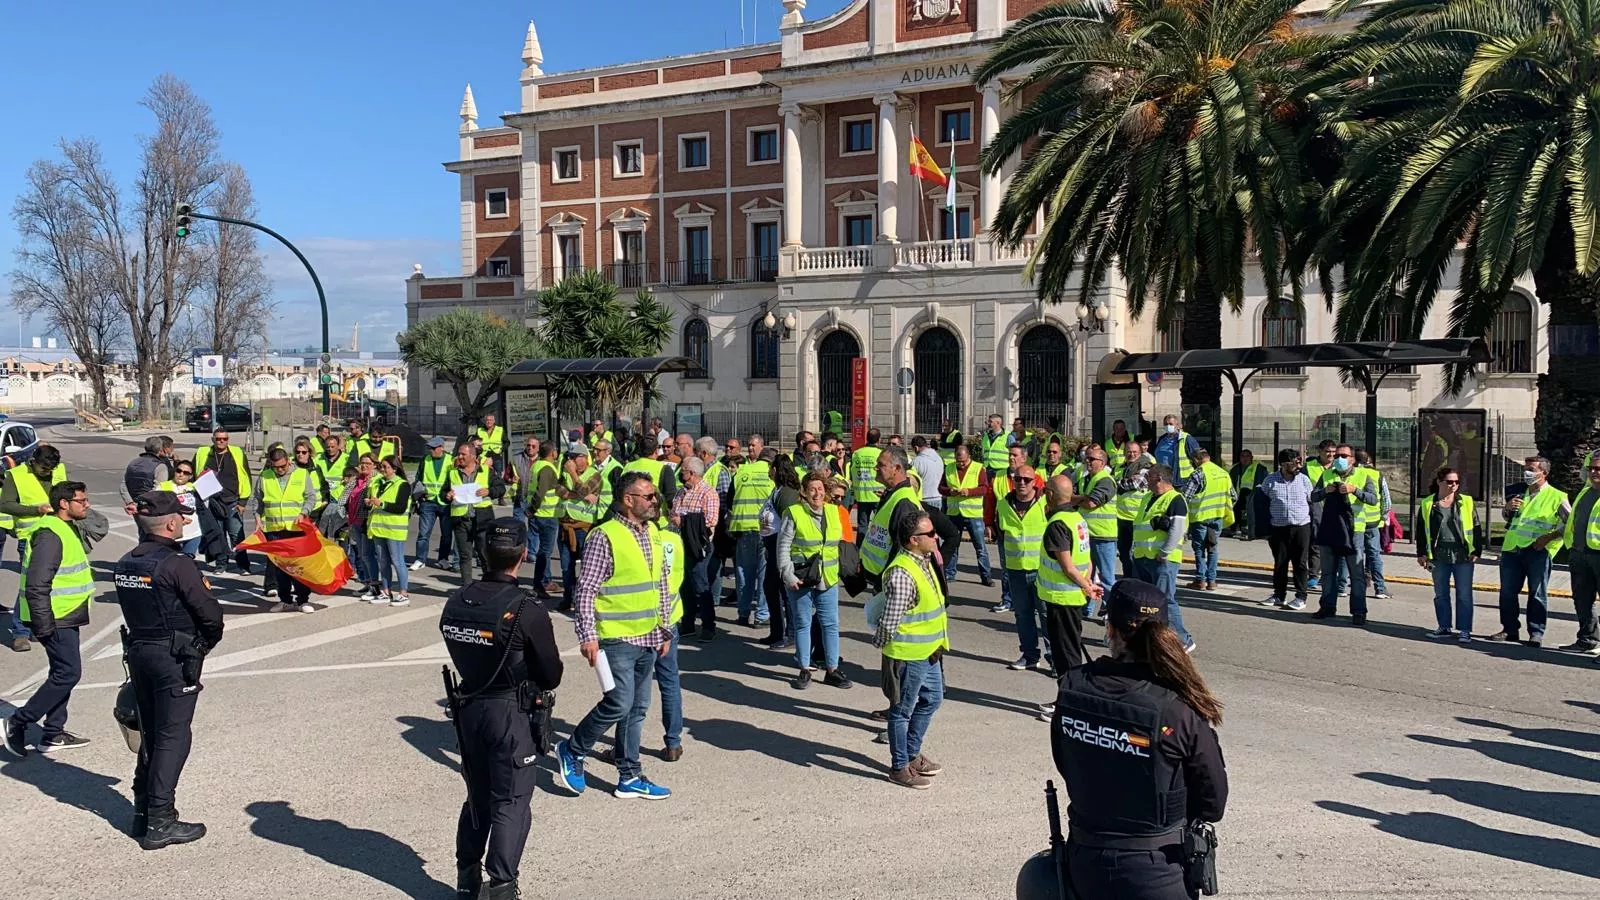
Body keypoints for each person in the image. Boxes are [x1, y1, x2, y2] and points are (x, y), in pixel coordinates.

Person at [1049, 579, 1228, 900]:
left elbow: (1064, 762)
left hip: (1085, 862)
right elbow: (1212, 801)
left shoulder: (1072, 687)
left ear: (1110, 629)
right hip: (1157, 869)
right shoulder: (1175, 708)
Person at [439, 517, 563, 899]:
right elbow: (551, 673)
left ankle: (466, 882)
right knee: (511, 801)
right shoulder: (526, 608)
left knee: (477, 797)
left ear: (482, 553)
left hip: (469, 709)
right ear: (523, 556)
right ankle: (502, 887)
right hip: (510, 714)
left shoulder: (457, 600)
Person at [555, 472, 677, 800]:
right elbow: (586, 589)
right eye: (648, 496)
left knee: (637, 708)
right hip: (616, 637)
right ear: (628, 500)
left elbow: (660, 584)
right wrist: (587, 635)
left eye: (654, 495)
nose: (654, 501)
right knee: (619, 702)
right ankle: (572, 749)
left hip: (648, 635)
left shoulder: (653, 532)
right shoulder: (604, 536)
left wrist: (664, 628)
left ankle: (629, 775)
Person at [114, 490, 226, 850]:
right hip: (173, 658)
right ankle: (161, 821)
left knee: (150, 733)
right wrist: (201, 647)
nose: (185, 520)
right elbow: (211, 614)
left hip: (140, 653)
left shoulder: (126, 562)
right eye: (181, 515)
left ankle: (142, 812)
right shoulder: (177, 563)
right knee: (173, 737)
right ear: (171, 522)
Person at [4, 481, 94, 756]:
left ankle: (53, 733)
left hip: (65, 613)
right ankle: (17, 722)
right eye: (81, 501)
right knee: (68, 673)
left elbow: (99, 526)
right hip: (54, 617)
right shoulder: (50, 534)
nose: (87, 504)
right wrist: (43, 625)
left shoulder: (65, 527)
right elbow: (37, 584)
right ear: (64, 504)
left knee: (62, 672)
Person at [874, 510, 948, 789]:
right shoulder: (903, 572)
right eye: (930, 533)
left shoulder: (925, 560)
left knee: (933, 699)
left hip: (929, 651)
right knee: (901, 710)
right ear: (913, 540)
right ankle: (899, 766)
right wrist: (883, 646)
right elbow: (890, 620)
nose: (935, 536)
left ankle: (912, 753)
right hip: (908, 654)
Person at [778, 471, 850, 689]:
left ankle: (832, 670)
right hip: (801, 579)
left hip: (828, 578)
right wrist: (787, 574)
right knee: (803, 623)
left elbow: (840, 544)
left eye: (820, 489)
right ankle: (804, 669)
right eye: (812, 489)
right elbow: (783, 547)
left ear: (825, 491)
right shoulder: (793, 513)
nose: (817, 494)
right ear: (804, 492)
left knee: (830, 624)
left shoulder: (834, 512)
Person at [1490, 456, 1569, 647]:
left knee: (1537, 593)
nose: (1527, 473)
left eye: (1531, 470)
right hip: (1512, 548)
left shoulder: (1557, 496)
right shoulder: (1519, 492)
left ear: (1544, 473)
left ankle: (1536, 633)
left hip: (1538, 550)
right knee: (1507, 592)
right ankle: (1510, 630)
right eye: (1526, 469)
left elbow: (1570, 524)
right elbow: (1511, 518)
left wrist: (1549, 537)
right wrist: (1507, 508)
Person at [1040, 475, 1101, 678]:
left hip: (1061, 599)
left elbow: (1068, 567)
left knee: (1065, 655)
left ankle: (1068, 693)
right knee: (1072, 649)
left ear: (1050, 494)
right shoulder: (1077, 519)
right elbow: (1087, 559)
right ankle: (1071, 691)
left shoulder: (1057, 524)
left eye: (1045, 491)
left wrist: (1087, 586)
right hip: (1074, 597)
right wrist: (1087, 582)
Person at [1309, 444, 1376, 626]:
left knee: (1356, 574)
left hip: (1354, 532)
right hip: (1330, 528)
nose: (1339, 458)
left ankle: (1359, 611)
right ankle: (1327, 607)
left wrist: (1355, 490)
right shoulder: (1327, 474)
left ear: (1352, 459)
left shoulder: (1363, 475)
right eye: (1337, 455)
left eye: (1344, 456)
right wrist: (1325, 491)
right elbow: (1313, 496)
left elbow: (1373, 499)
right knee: (1328, 573)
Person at [1132, 465, 1195, 653]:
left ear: (1159, 478)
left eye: (1149, 476)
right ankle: (1151, 638)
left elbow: (1178, 529)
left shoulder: (1175, 499)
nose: (1146, 480)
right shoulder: (1148, 497)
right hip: (1143, 556)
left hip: (1161, 559)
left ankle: (1182, 639)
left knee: (1164, 600)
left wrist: (1164, 552)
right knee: (1147, 602)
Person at [1417, 467, 1482, 643]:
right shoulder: (1428, 503)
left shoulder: (1466, 501)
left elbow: (1476, 527)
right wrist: (1421, 553)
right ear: (1439, 482)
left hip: (1462, 555)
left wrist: (1476, 550)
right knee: (1441, 593)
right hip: (1439, 555)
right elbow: (1421, 530)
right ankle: (1444, 626)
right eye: (1450, 482)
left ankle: (1464, 630)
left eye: (1457, 482)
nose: (1454, 485)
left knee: (1464, 594)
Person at [254, 447, 318, 614]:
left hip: (296, 529)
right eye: (276, 467)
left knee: (299, 566)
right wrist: (257, 518)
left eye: (283, 466)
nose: (280, 470)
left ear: (288, 461)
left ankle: (303, 600)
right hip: (274, 528)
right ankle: (285, 600)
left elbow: (311, 497)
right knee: (280, 568)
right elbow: (258, 500)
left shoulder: (301, 474)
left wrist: (303, 513)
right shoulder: (265, 476)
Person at [998, 465, 1049, 672]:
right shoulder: (1004, 504)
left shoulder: (1045, 503)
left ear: (1034, 481)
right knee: (1022, 615)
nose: (1021, 483)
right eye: (1017, 479)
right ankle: (1029, 656)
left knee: (1046, 615)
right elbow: (1002, 533)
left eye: (1027, 479)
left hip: (1041, 570)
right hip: (1016, 570)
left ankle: (1054, 659)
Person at [672, 456, 720, 642]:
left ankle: (708, 626)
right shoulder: (680, 492)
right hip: (680, 544)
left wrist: (684, 521)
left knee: (701, 585)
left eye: (683, 470)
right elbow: (673, 513)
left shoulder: (708, 493)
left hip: (699, 546)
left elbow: (710, 520)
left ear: (691, 473)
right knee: (684, 585)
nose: (680, 473)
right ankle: (688, 623)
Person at [1257, 449, 1313, 610]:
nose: (1298, 466)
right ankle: (1279, 595)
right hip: (1278, 528)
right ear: (1283, 464)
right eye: (1294, 463)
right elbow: (1262, 503)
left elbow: (1311, 499)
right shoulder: (1270, 480)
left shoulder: (1303, 480)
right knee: (1280, 563)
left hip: (1301, 526)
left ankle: (1301, 596)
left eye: (1298, 462)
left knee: (1300, 563)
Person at [445, 443, 506, 587]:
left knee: (484, 554)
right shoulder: (453, 473)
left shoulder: (485, 471)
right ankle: (467, 588)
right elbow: (444, 492)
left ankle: (488, 586)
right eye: (459, 454)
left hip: (482, 520)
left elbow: (501, 488)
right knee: (465, 556)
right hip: (461, 520)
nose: (459, 457)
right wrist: (447, 496)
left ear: (473, 456)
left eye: (463, 454)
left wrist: (489, 491)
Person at [195, 428, 253, 575]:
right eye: (218, 439)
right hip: (212, 502)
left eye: (224, 439)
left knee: (236, 535)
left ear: (228, 440)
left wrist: (243, 502)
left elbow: (246, 476)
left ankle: (243, 565)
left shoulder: (237, 453)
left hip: (233, 501)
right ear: (213, 439)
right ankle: (221, 564)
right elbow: (194, 475)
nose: (221, 441)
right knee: (218, 534)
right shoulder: (203, 453)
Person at [861, 446, 923, 583]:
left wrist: (885, 578)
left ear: (897, 469)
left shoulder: (904, 502)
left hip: (888, 580)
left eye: (881, 465)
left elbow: (902, 547)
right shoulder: (892, 493)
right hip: (878, 576)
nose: (876, 468)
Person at [760, 453, 803, 647]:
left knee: (784, 591)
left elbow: (790, 523)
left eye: (770, 468)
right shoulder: (777, 490)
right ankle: (777, 632)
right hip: (772, 545)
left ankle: (791, 634)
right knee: (771, 588)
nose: (768, 471)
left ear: (776, 470)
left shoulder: (787, 494)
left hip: (781, 546)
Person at [729, 444, 774, 628]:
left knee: (743, 573)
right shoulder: (772, 475)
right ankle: (761, 616)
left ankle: (743, 612)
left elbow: (730, 500)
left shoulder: (741, 472)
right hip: (766, 531)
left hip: (743, 529)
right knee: (764, 574)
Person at [556, 443, 602, 612]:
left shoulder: (594, 474)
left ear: (584, 458)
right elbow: (559, 490)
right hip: (565, 526)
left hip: (583, 528)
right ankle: (568, 598)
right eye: (571, 458)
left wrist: (573, 475)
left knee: (586, 568)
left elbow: (585, 489)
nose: (572, 461)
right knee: (566, 566)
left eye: (576, 458)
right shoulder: (565, 472)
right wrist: (579, 495)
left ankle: (584, 600)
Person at [1560, 458, 1600, 655]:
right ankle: (1588, 639)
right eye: (1591, 468)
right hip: (1579, 553)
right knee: (1582, 599)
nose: (1594, 472)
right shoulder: (1585, 492)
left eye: (1598, 469)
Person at [1072, 445, 1120, 606]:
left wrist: (1077, 499)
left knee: (1107, 579)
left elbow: (1091, 503)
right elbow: (1074, 498)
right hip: (1086, 535)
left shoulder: (1106, 480)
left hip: (1103, 536)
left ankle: (1111, 610)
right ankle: (1086, 608)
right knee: (1086, 576)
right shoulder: (1085, 478)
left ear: (1102, 462)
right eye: (1087, 458)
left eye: (1092, 459)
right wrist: (1081, 498)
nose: (1088, 461)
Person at [939, 443, 992, 586]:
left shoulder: (978, 468)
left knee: (980, 547)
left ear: (969, 456)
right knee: (953, 545)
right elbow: (941, 488)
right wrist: (949, 491)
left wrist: (969, 491)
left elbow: (984, 489)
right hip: (954, 513)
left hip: (973, 514)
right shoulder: (949, 468)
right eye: (958, 461)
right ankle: (950, 574)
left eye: (963, 461)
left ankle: (986, 576)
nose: (961, 464)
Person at [1183, 448, 1233, 592]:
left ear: (1196, 460)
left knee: (1199, 549)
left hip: (1200, 517)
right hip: (1217, 516)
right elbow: (1233, 496)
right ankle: (1212, 581)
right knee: (1213, 548)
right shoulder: (1223, 473)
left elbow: (1185, 496)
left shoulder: (1198, 473)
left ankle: (1200, 580)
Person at [989, 443, 1031, 613]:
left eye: (1015, 455)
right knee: (1007, 568)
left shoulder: (1033, 477)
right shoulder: (998, 477)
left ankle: (1029, 601)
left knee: (1030, 568)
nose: (1011, 458)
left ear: (1024, 458)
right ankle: (1007, 599)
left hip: (1029, 532)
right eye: (1010, 455)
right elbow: (990, 501)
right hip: (1005, 531)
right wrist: (988, 523)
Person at [366, 456, 412, 606]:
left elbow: (400, 507)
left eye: (386, 467)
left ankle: (404, 593)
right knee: (383, 561)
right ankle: (386, 591)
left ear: (395, 468)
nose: (383, 470)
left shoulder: (402, 485)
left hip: (394, 530)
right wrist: (370, 502)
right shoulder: (379, 482)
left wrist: (381, 504)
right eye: (381, 467)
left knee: (397, 561)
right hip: (379, 529)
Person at [518, 443, 561, 599]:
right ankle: (540, 584)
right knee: (545, 552)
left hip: (538, 514)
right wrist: (532, 509)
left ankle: (544, 581)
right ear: (552, 453)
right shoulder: (547, 468)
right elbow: (541, 491)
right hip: (545, 514)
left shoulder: (537, 465)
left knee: (542, 551)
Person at [1353, 449, 1393, 599]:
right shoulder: (1376, 474)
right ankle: (1380, 588)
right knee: (1374, 554)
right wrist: (1383, 517)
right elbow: (1386, 501)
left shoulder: (1351, 474)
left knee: (1353, 554)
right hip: (1372, 521)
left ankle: (1345, 586)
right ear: (1368, 460)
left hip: (1355, 521)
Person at [412, 437, 455, 571]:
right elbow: (419, 478)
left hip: (445, 502)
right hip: (428, 501)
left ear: (441, 447)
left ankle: (443, 559)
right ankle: (420, 559)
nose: (431, 451)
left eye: (434, 448)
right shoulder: (425, 460)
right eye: (429, 448)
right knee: (423, 533)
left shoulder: (451, 460)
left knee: (446, 534)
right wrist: (419, 495)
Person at [1115, 440, 1153, 579]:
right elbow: (1112, 482)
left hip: (1137, 517)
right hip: (1121, 516)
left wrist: (1118, 482)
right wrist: (1122, 482)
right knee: (1123, 552)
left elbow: (1136, 483)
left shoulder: (1145, 466)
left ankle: (1136, 580)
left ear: (1140, 453)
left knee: (1135, 553)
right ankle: (1128, 578)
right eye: (1129, 452)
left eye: (1135, 452)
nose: (1131, 454)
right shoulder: (1119, 467)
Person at [1304, 440, 1338, 591]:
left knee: (1334, 544)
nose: (1330, 455)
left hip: (1335, 510)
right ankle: (1313, 574)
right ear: (1320, 452)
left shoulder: (1339, 466)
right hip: (1316, 508)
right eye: (1327, 452)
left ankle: (1330, 574)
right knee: (1316, 543)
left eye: (1333, 452)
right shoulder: (1309, 467)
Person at [345, 455, 379, 599]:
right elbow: (346, 497)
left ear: (374, 465)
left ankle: (375, 586)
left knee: (369, 555)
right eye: (362, 463)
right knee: (362, 555)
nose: (364, 466)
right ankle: (367, 583)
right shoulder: (357, 480)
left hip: (367, 522)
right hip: (355, 522)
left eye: (368, 463)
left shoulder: (376, 480)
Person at [120, 434, 174, 520]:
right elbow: (158, 490)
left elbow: (123, 485)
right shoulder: (160, 466)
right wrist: (142, 504)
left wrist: (131, 503)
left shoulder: (133, 463)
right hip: (153, 508)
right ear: (160, 449)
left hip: (135, 508)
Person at [158, 460, 205, 557]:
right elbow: (158, 510)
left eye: (186, 473)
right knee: (169, 562)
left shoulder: (194, 487)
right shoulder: (163, 486)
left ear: (190, 476)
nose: (181, 474)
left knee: (187, 562)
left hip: (193, 534)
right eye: (179, 471)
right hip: (171, 534)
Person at [851, 427, 886, 532]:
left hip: (862, 495)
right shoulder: (881, 454)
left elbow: (852, 471)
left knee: (862, 525)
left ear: (867, 438)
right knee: (881, 525)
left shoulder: (857, 453)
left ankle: (861, 543)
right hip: (878, 494)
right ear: (879, 440)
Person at [1229, 450, 1266, 539]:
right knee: (1237, 511)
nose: (1245, 458)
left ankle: (1250, 530)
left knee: (1251, 514)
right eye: (1242, 456)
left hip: (1252, 495)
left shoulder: (1258, 468)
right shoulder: (1235, 469)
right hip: (1238, 495)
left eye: (1247, 456)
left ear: (1252, 458)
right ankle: (1237, 528)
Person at [909, 435, 946, 511]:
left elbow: (912, 482)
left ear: (916, 448)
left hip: (924, 499)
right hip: (939, 498)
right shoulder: (939, 458)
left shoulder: (917, 462)